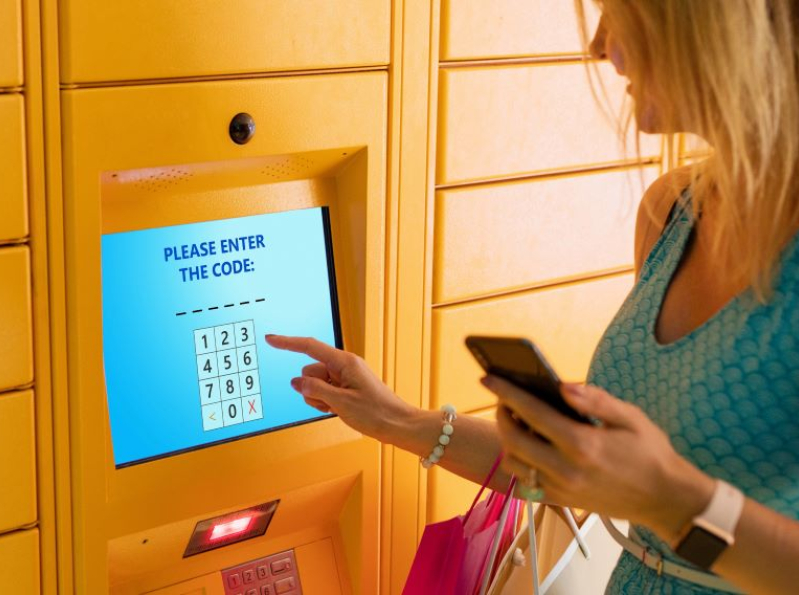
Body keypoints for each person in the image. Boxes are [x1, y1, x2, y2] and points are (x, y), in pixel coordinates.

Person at [266, 1, 799, 593]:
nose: (600, 47)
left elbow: (661, 494)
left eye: (623, 15)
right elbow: (592, 473)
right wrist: (396, 419)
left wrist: (672, 502)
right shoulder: (670, 214)